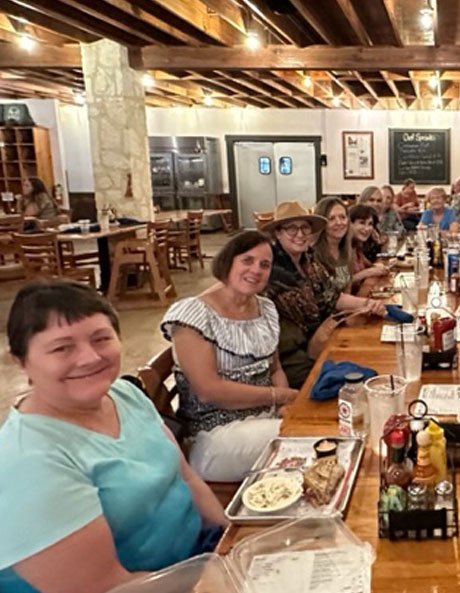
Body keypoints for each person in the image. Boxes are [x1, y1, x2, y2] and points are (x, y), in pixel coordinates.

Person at [0, 281, 226, 593]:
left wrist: (230, 539)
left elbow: (185, 477)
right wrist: (224, 577)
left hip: (196, 561)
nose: (90, 358)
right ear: (22, 361)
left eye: (101, 338)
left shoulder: (123, 393)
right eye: (62, 348)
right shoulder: (28, 462)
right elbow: (105, 587)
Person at [161, 231, 297, 482]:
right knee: (309, 439)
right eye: (247, 260)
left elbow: (275, 368)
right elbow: (208, 390)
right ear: (228, 262)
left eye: (264, 264)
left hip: (264, 419)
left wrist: (285, 406)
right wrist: (280, 396)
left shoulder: (265, 308)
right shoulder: (193, 314)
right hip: (212, 436)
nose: (256, 269)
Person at [266, 202, 385, 389]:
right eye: (291, 229)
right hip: (290, 355)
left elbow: (333, 296)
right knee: (350, 382)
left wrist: (369, 303)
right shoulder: (270, 267)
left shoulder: (309, 260)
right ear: (278, 233)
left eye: (304, 227)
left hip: (319, 339)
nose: (300, 234)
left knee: (369, 362)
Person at [313, 197, 353, 293]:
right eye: (331, 219)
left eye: (342, 217)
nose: (339, 223)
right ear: (321, 223)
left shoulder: (346, 249)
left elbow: (348, 288)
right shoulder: (313, 255)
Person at [348, 203, 390, 286]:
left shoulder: (357, 245)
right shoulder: (342, 248)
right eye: (362, 223)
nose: (367, 229)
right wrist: (368, 272)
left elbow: (370, 265)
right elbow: (341, 285)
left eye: (370, 224)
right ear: (349, 224)